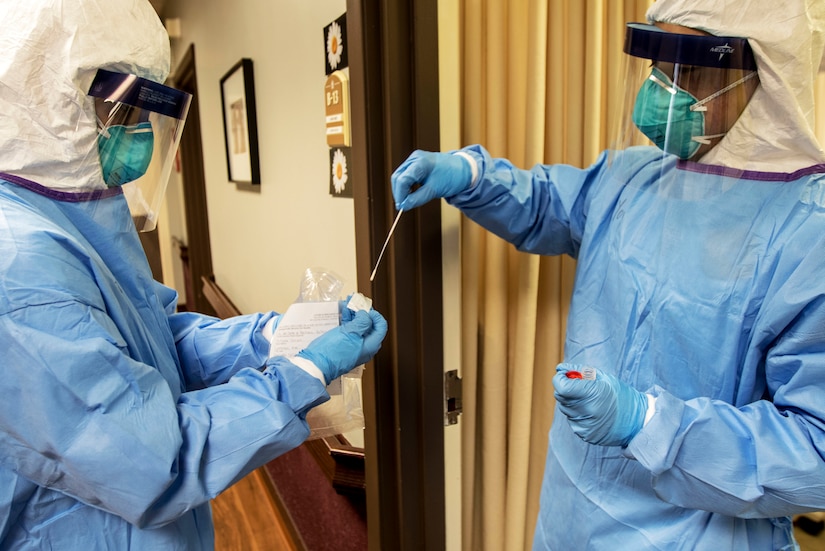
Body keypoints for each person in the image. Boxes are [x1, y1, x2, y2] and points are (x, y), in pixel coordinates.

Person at [391, 1, 825, 549]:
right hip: (570, 512)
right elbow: (550, 203)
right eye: (657, 63)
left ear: (767, 74)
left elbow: (815, 451)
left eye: (688, 69)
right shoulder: (638, 176)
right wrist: (470, 175)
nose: (663, 89)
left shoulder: (809, 235)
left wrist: (648, 424)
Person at [0, 0, 387, 549]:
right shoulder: (18, 267)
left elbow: (149, 339)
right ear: (44, 104)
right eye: (123, 112)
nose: (138, 136)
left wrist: (269, 337)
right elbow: (155, 460)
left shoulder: (76, 210)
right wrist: (298, 372)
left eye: (144, 114)